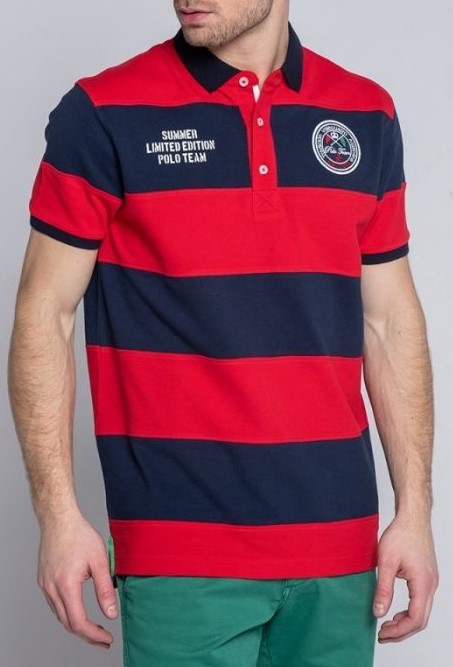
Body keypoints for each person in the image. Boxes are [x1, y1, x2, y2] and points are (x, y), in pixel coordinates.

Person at [8, 1, 439, 665]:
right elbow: (44, 312)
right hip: (181, 551)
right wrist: (58, 515)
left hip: (340, 549)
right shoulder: (102, 112)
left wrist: (415, 511)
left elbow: (389, 322)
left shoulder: (365, 113)